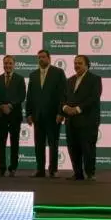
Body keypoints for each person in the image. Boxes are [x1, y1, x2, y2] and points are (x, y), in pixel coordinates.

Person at [26, 49, 66, 178]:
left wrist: (61, 112)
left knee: (53, 144)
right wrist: (28, 113)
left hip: (53, 115)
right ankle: (40, 170)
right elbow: (30, 96)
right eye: (39, 57)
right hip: (37, 116)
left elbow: (63, 94)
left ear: (49, 58)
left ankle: (53, 170)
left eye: (43, 57)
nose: (41, 59)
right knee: (39, 144)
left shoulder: (58, 72)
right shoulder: (33, 75)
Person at [62, 55, 102, 181]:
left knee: (88, 148)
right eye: (75, 63)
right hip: (71, 120)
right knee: (73, 148)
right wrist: (65, 108)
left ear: (87, 65)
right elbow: (63, 98)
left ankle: (90, 174)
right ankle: (77, 173)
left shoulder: (95, 79)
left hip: (87, 121)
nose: (77, 65)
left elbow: (94, 98)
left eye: (80, 63)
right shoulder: (69, 80)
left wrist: (78, 109)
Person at [0, 55, 26, 177]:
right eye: (6, 63)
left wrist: (10, 106)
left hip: (15, 115)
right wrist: (1, 106)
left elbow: (22, 96)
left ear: (14, 65)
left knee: (14, 142)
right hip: (1, 115)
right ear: (3, 64)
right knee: (1, 142)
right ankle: (1, 168)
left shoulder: (20, 79)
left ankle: (13, 168)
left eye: (10, 63)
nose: (7, 65)